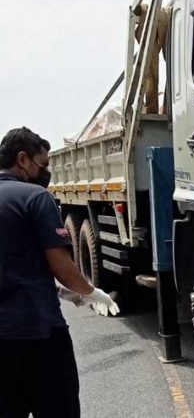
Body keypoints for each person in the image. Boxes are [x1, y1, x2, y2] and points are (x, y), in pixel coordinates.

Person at [0, 127, 120, 418]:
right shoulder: (35, 197)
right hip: (37, 334)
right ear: (23, 159)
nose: (46, 172)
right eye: (43, 164)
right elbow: (62, 266)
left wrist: (58, 290)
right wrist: (91, 293)